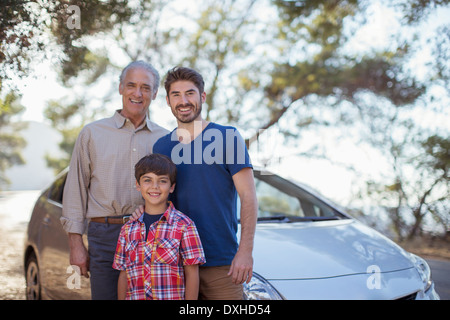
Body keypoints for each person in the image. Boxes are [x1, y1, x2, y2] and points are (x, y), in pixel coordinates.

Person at [134, 66, 258, 300]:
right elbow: (160, 198)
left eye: (190, 93)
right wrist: (143, 211)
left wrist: (245, 252)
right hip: (173, 262)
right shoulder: (162, 147)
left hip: (222, 262)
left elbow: (249, 197)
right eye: (176, 95)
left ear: (202, 97)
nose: (183, 101)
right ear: (168, 101)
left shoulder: (227, 137)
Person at [61, 61, 169, 300]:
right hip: (105, 234)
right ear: (121, 87)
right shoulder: (92, 133)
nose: (137, 93)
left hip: (153, 234)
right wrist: (76, 245)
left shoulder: (165, 139)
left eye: (145, 87)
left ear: (155, 93)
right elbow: (75, 189)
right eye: (131, 85)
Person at [113, 154, 205, 300]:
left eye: (162, 181)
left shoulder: (185, 226)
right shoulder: (128, 229)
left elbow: (192, 274)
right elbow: (123, 274)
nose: (154, 187)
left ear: (172, 187)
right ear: (138, 185)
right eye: (147, 180)